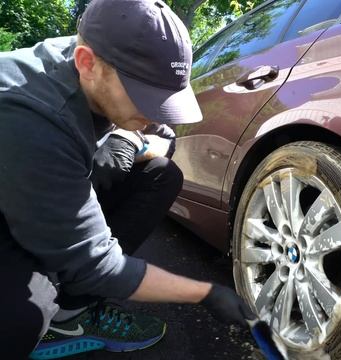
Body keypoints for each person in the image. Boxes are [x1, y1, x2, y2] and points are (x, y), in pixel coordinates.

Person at [0, 0, 256, 358]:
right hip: (11, 193)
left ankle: (70, 313)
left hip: (35, 184)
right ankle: (46, 312)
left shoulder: (103, 61)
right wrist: (205, 293)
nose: (155, 112)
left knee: (160, 175)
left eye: (165, 98)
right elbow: (98, 266)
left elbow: (165, 132)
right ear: (87, 64)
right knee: (22, 316)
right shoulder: (32, 119)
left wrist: (129, 137)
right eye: (146, 97)